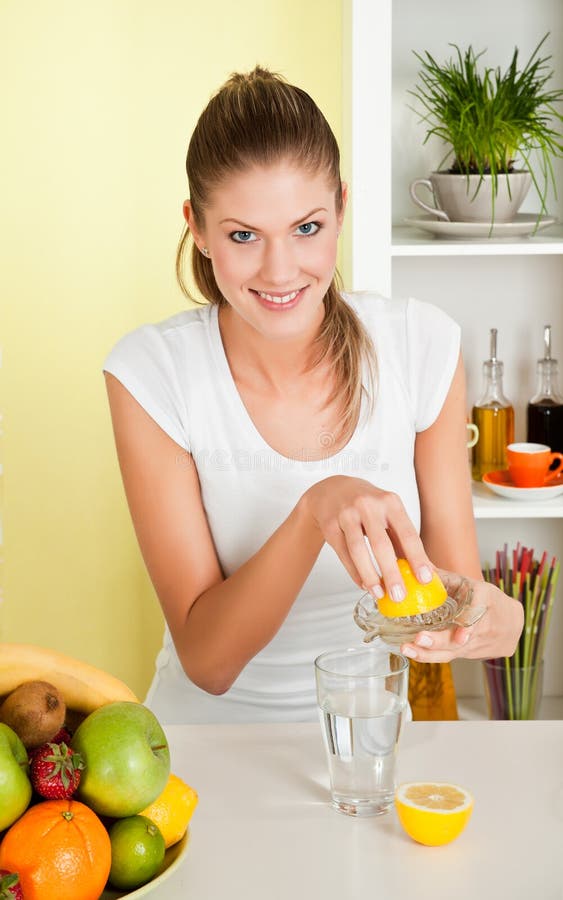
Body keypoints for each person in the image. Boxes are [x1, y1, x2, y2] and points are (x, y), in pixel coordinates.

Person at [103, 67, 523, 723]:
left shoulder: (421, 344)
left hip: (371, 748)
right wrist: (311, 514)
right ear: (199, 228)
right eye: (243, 235)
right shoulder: (153, 372)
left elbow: (451, 590)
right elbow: (208, 664)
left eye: (306, 227)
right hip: (205, 751)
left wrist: (494, 616)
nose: (279, 270)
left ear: (341, 210)